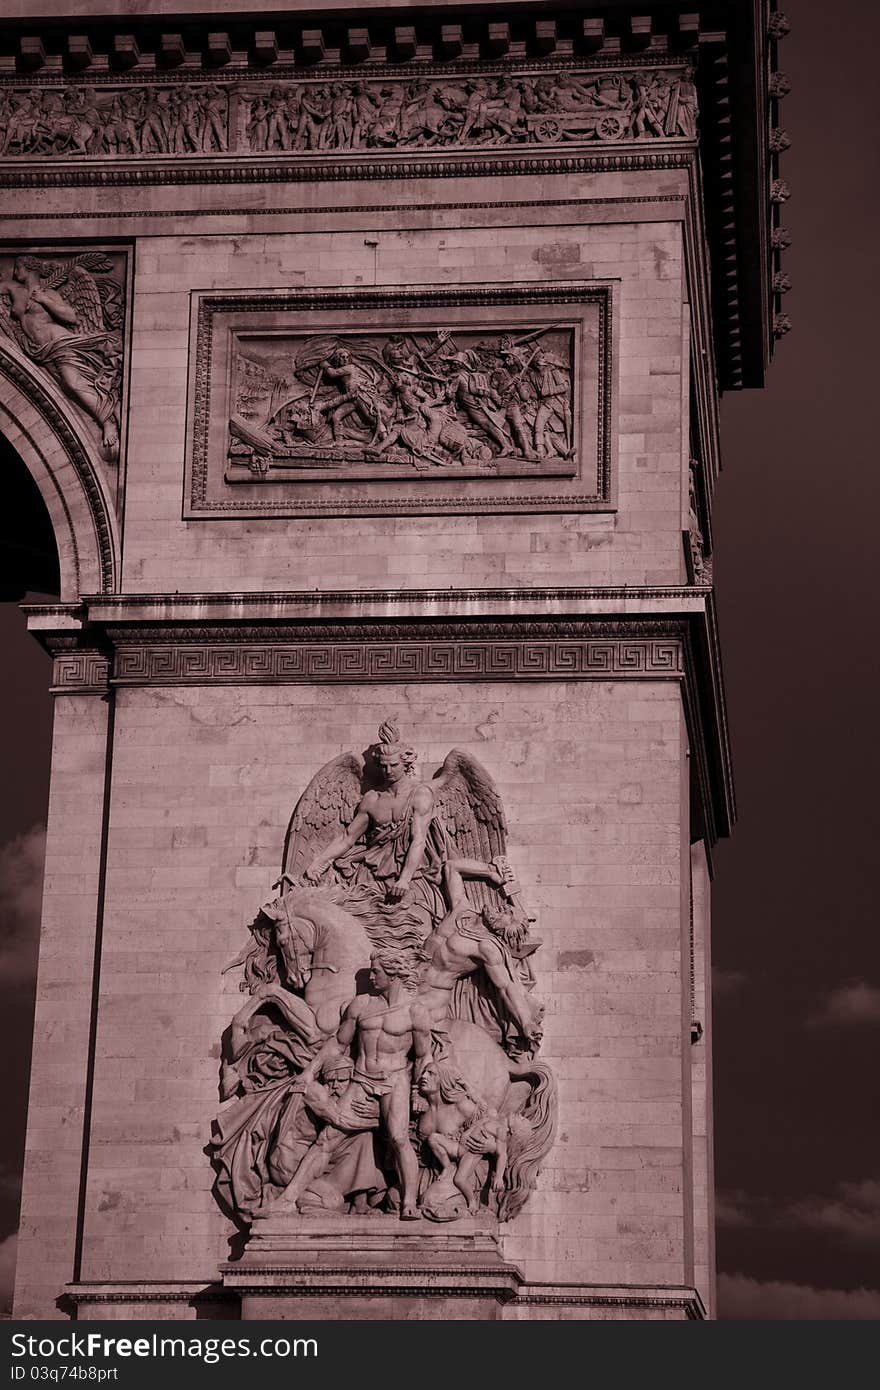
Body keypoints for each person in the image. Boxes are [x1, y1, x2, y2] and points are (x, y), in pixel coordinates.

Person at [280, 950, 432, 1219]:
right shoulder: (361, 1005)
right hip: (361, 1079)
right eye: (372, 971)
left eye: (377, 972)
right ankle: (288, 1198)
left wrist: (418, 1091)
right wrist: (309, 1072)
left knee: (399, 1138)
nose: (372, 976)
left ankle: (409, 1202)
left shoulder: (415, 1011)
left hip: (395, 1080)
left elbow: (423, 1056)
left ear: (394, 975)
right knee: (326, 1139)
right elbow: (338, 1043)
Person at [303, 720, 447, 937]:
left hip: (409, 875)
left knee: (416, 932)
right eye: (383, 765)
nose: (388, 770)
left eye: (394, 765)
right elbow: (348, 837)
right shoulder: (371, 799)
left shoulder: (420, 795)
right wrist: (320, 861)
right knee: (361, 934)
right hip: (370, 875)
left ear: (405, 764)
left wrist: (405, 879)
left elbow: (419, 839)